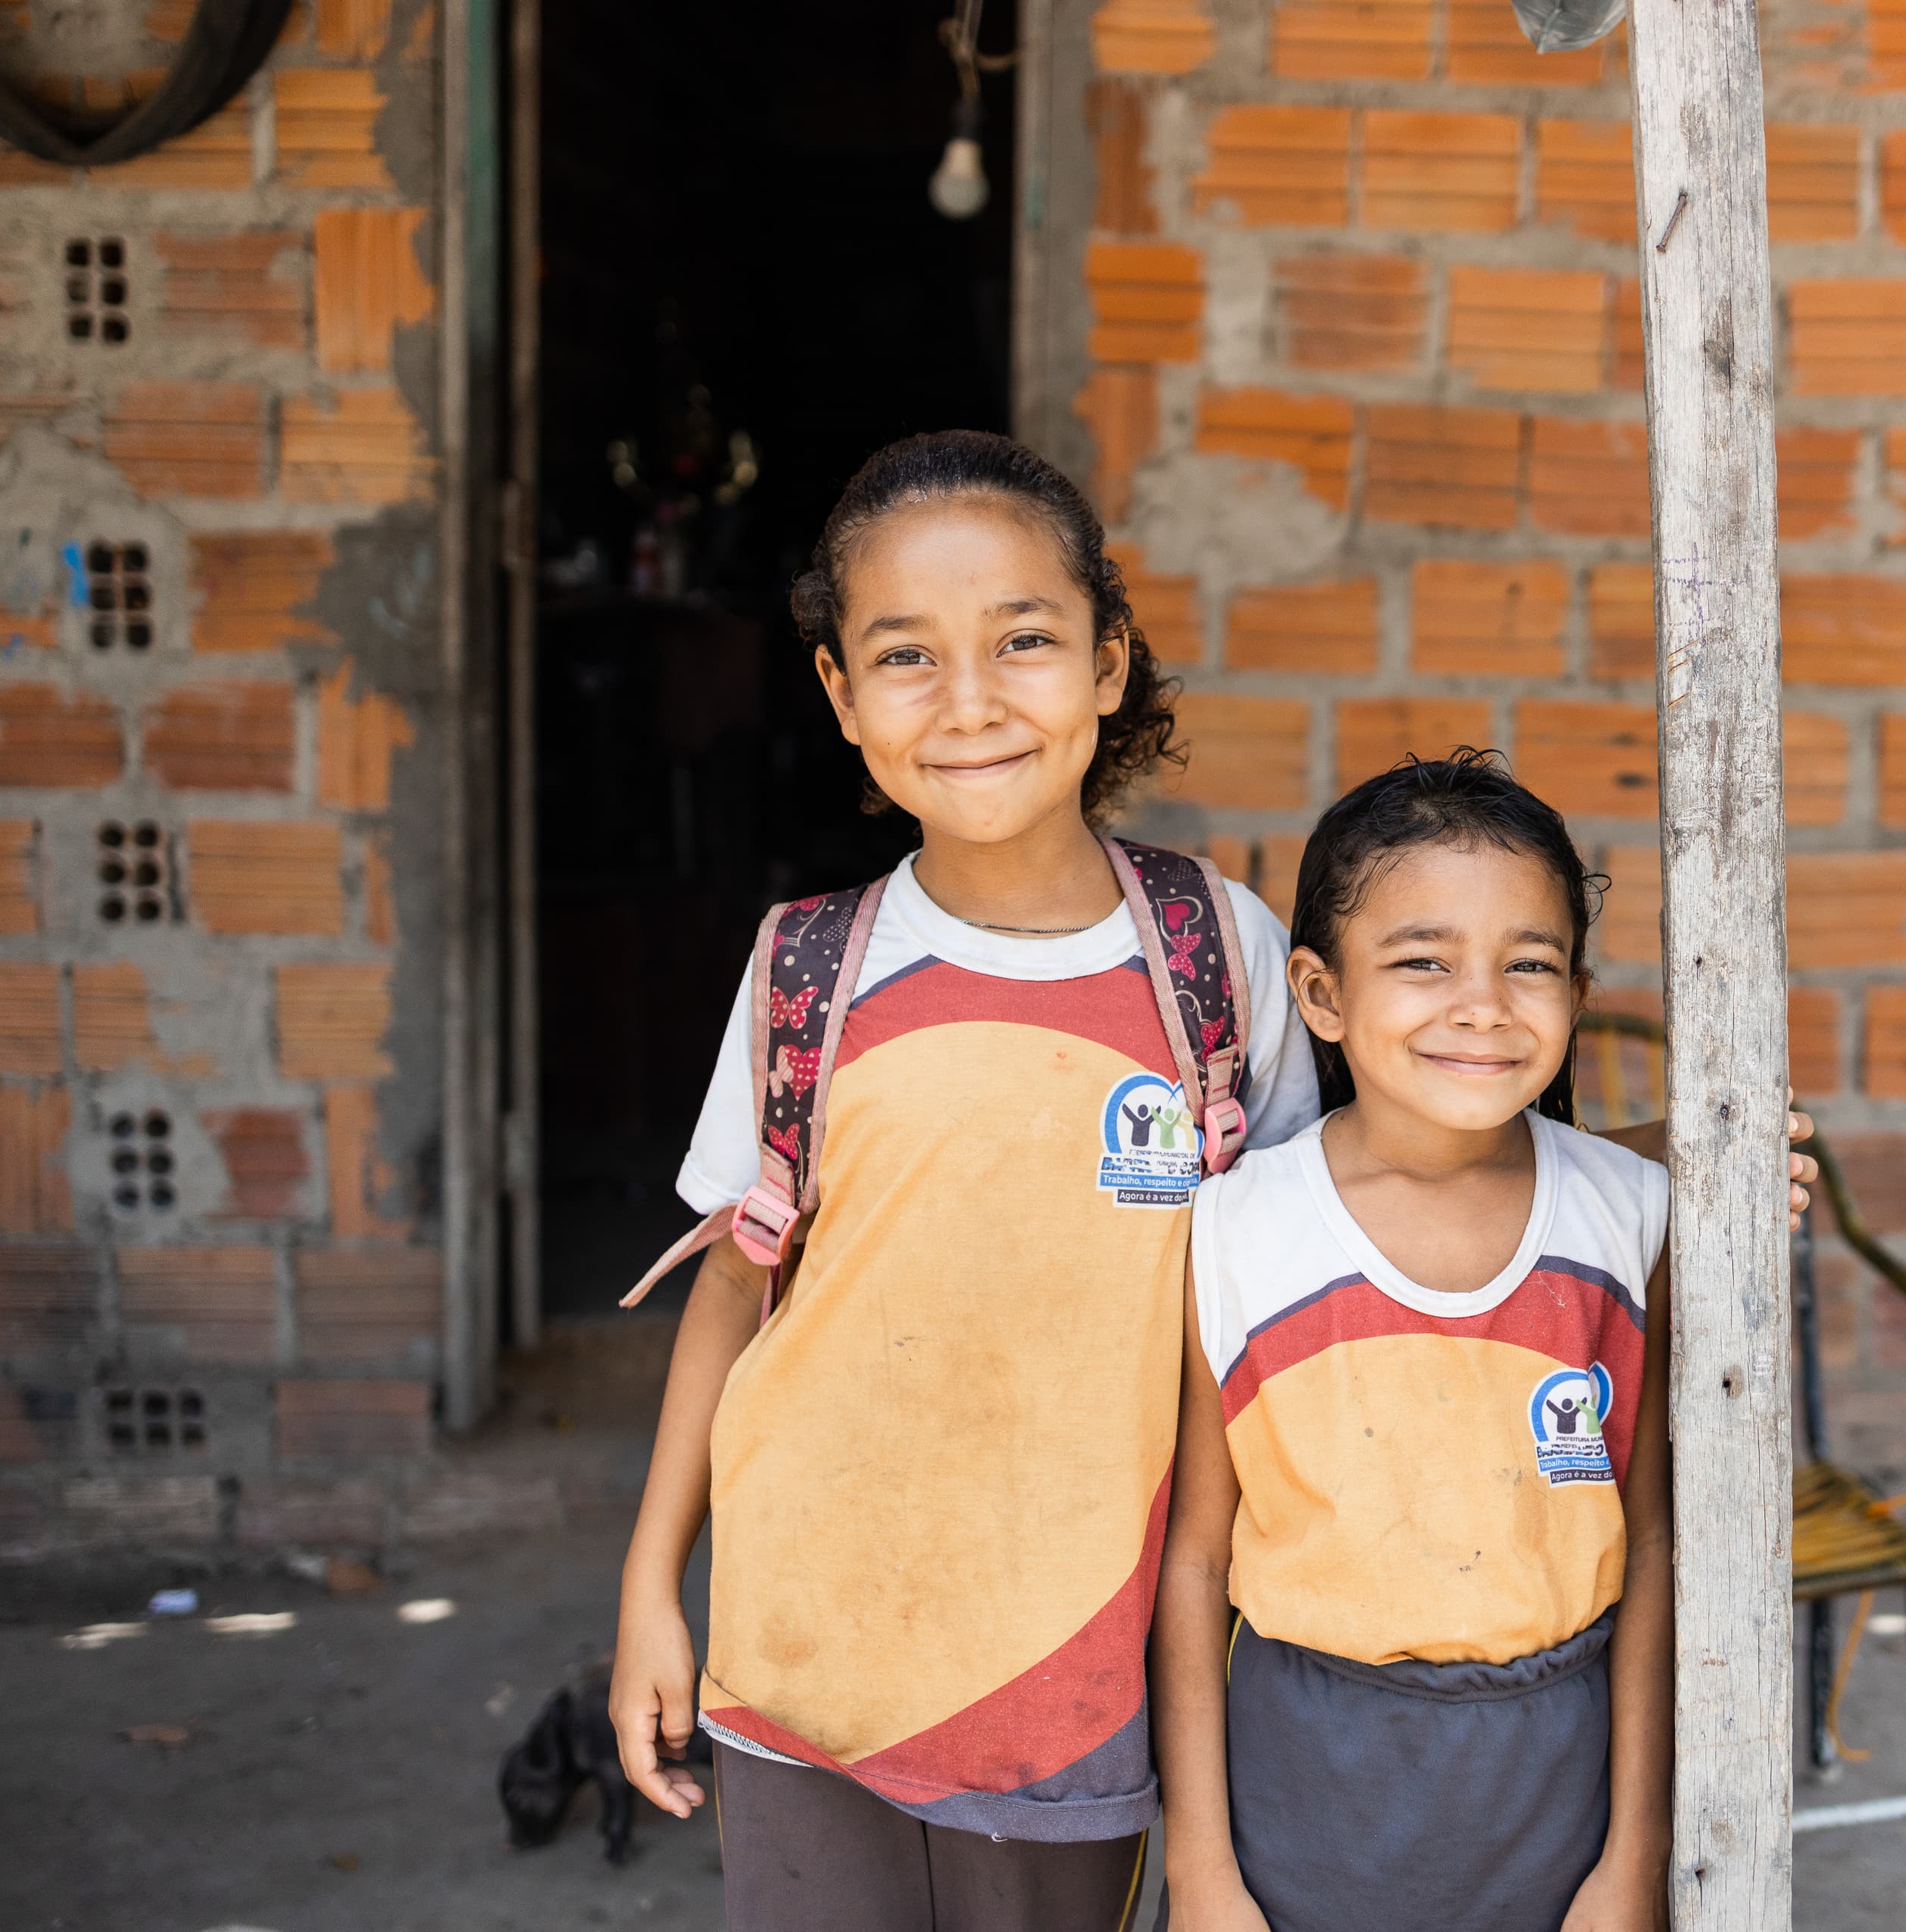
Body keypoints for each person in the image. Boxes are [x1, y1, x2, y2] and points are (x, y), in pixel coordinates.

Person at [607, 431, 1328, 1932]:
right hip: (800, 1647)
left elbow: (1327, 1257)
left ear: (1110, 660)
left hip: (1074, 1663)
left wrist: (1672, 1180)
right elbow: (739, 1283)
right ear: (840, 697)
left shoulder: (1217, 956)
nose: (974, 699)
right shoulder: (808, 966)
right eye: (907, 655)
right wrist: (647, 1592)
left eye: (1024, 639)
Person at [1154, 752, 1674, 1932]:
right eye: (1423, 961)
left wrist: (1630, 1858)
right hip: (1306, 1774)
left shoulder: (1625, 1219)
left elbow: (1649, 1544)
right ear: (1322, 996)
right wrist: (1203, 1872)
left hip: (1558, 1774)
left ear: (1579, 990)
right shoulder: (1241, 1227)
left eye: (1528, 964)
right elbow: (1195, 1560)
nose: (1482, 1004)